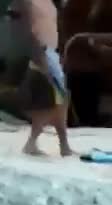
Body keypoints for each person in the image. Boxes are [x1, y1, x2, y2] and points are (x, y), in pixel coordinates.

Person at [8, 0, 73, 156]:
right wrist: (39, 56)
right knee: (57, 100)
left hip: (51, 53)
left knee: (61, 99)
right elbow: (21, 30)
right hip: (40, 52)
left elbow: (51, 26)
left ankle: (63, 145)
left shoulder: (49, 3)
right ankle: (34, 143)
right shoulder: (25, 2)